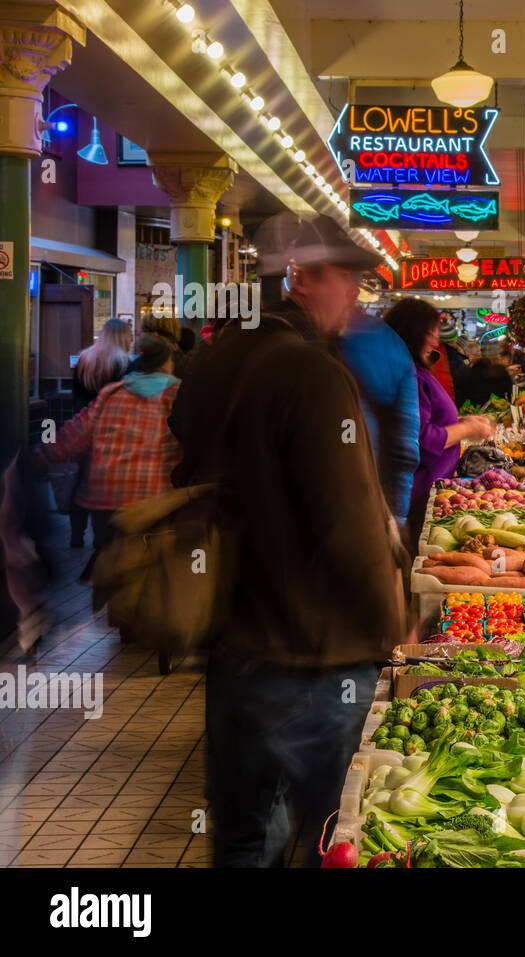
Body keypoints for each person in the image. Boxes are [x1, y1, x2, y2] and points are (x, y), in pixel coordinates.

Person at [173, 213, 407, 868]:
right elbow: (350, 526)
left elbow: (187, 460)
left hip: (234, 648)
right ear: (300, 277)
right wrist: (396, 633)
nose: (354, 295)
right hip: (314, 659)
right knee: (333, 835)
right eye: (344, 277)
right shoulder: (313, 375)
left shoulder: (218, 359)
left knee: (246, 839)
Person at [40, 335, 181, 578]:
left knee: (113, 566)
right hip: (152, 499)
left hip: (105, 497)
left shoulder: (111, 393)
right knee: (150, 572)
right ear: (165, 363)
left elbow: (76, 433)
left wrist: (41, 456)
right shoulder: (175, 394)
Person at [384, 298, 495, 550]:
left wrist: (458, 422)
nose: (436, 342)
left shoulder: (415, 372)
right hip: (416, 496)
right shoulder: (409, 375)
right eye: (430, 335)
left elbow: (426, 420)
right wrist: (467, 430)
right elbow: (421, 440)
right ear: (412, 334)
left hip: (429, 491)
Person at [340, 306, 420, 527]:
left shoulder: (302, 341)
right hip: (370, 496)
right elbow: (406, 447)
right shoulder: (383, 344)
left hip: (352, 496)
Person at [68, 318, 133, 548]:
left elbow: (75, 394)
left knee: (81, 477)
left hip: (85, 427)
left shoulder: (84, 359)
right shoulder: (125, 364)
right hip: (111, 430)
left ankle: (76, 534)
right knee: (103, 483)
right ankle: (100, 537)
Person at [130, 313, 187, 378]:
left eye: (144, 330)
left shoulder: (140, 365)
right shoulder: (188, 363)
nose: (139, 334)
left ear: (155, 334)